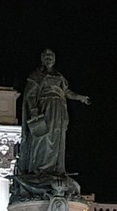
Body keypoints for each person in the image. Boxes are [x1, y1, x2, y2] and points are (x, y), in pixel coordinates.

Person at [16, 49, 90, 181]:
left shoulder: (59, 76)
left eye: (51, 56)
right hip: (45, 107)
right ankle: (40, 168)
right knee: (43, 138)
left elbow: (66, 92)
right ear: (42, 59)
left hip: (59, 109)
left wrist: (80, 98)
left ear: (54, 59)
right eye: (46, 56)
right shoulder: (36, 76)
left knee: (57, 138)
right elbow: (30, 95)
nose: (49, 58)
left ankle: (55, 168)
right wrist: (33, 110)